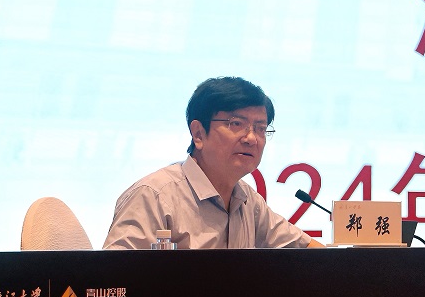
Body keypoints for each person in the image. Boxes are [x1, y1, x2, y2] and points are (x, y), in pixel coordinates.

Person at [104, 77, 324, 250]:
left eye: (260, 128)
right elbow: (115, 280)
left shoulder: (248, 200)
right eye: (236, 124)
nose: (251, 138)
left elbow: (307, 251)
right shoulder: (154, 196)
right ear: (198, 133)